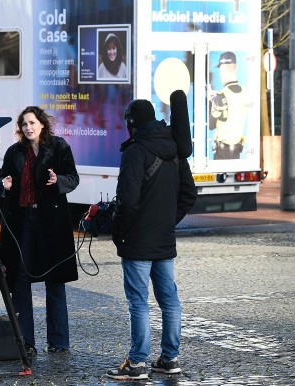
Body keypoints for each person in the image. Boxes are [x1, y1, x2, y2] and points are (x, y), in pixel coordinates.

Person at [106, 99, 197, 380]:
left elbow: (128, 201)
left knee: (138, 302)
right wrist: (169, 221)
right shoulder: (175, 149)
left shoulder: (135, 151)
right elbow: (189, 194)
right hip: (164, 239)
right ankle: (169, 359)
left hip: (138, 241)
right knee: (169, 300)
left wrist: (118, 230)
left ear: (132, 123)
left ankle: (137, 363)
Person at [0, 106, 79, 356]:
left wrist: (59, 181)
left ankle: (59, 341)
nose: (28, 128)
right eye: (24, 124)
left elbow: (73, 178)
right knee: (20, 279)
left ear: (42, 124)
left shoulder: (59, 147)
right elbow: (1, 181)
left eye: (32, 123)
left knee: (55, 281)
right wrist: (5, 184)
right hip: (22, 221)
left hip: (51, 222)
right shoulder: (14, 152)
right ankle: (25, 341)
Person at [209, 51, 247, 159]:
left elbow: (211, 125)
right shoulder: (245, 92)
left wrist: (211, 100)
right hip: (237, 150)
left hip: (222, 152)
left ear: (223, 69)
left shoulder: (221, 96)